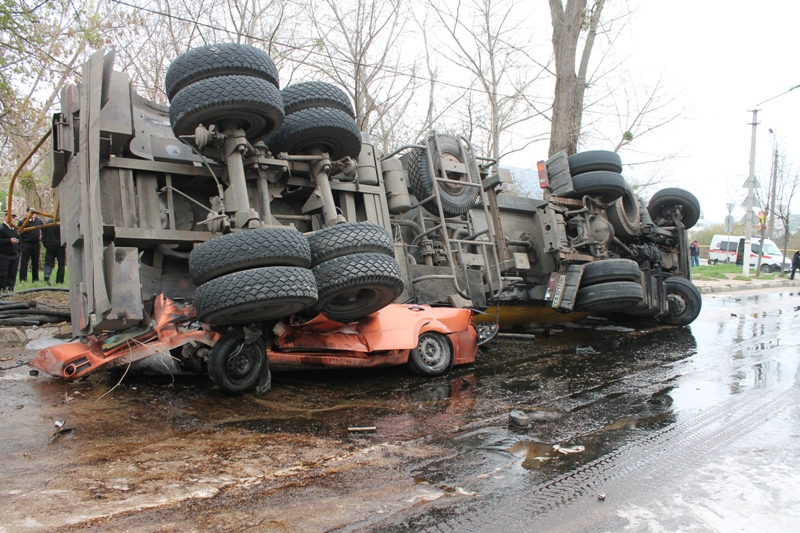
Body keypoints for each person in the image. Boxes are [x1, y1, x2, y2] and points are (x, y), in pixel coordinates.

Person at [18, 207, 43, 282]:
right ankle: (23, 279)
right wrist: (21, 246)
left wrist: (42, 236)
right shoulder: (22, 222)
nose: (32, 214)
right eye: (30, 212)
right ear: (27, 213)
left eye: (34, 212)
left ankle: (35, 279)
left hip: (36, 244)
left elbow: (44, 230)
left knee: (35, 262)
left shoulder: (38, 221)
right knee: (24, 262)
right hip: (26, 244)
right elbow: (19, 235)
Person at [42, 218, 66, 285]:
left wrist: (45, 244)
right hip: (60, 246)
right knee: (61, 264)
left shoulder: (48, 223)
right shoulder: (61, 223)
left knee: (48, 263)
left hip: (49, 246)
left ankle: (47, 275)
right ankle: (59, 281)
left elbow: (43, 236)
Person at [0, 216, 21, 292]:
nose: (12, 219)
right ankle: (2, 288)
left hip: (15, 255)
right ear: (5, 217)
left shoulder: (15, 229)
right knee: (3, 273)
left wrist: (19, 251)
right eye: (10, 217)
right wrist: (9, 241)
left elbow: (19, 240)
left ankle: (10, 289)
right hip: (4, 255)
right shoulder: (1, 228)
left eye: (13, 217)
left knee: (13, 273)